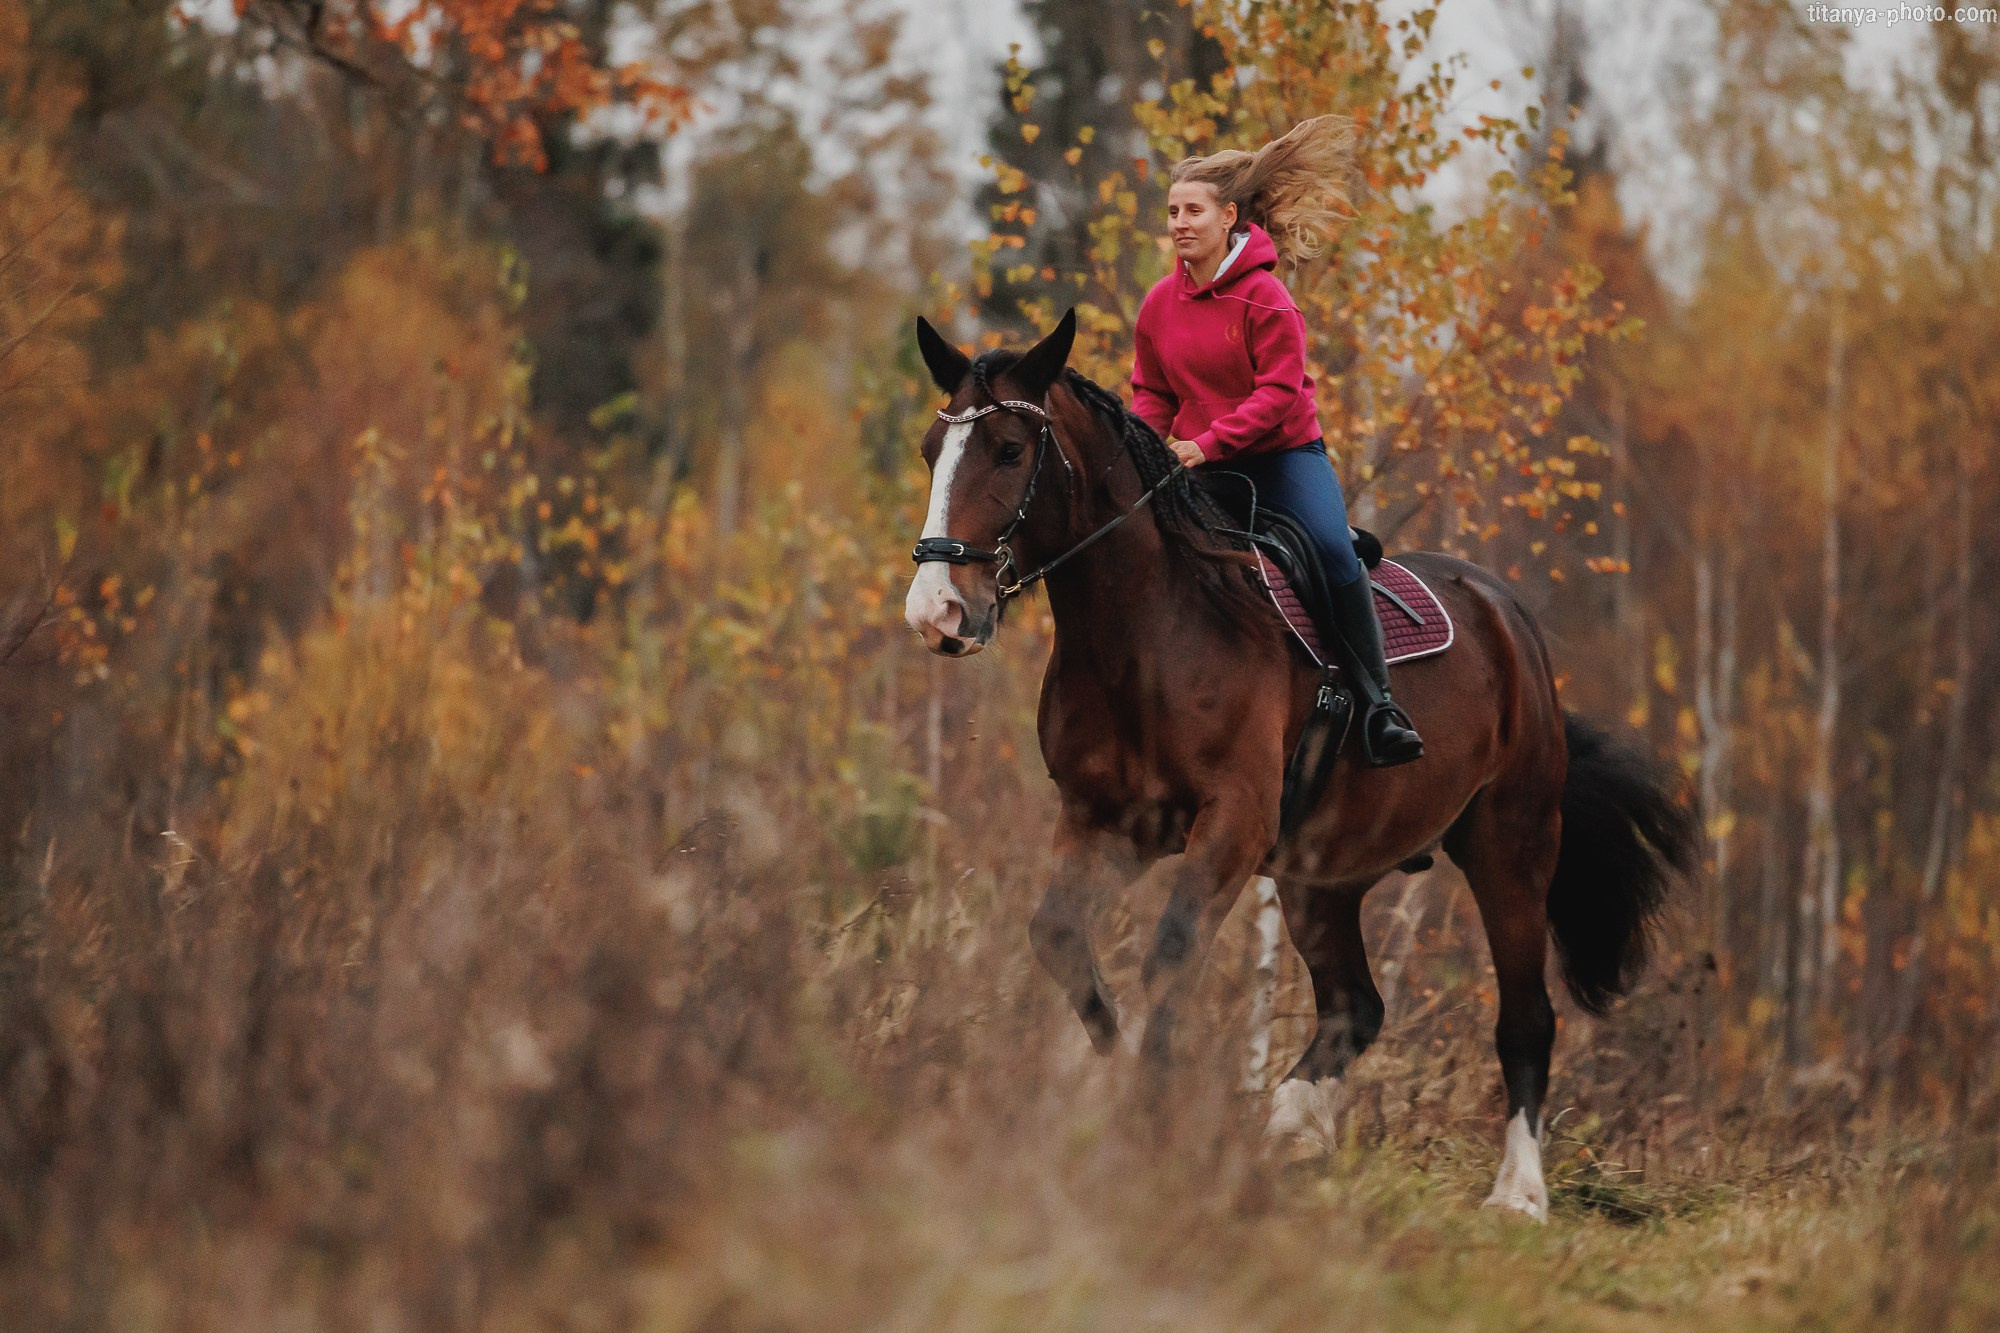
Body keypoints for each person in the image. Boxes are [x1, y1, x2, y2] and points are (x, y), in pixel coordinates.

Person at [1130, 115, 1423, 767]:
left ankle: (1380, 705)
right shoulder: (1157, 306)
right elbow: (1152, 393)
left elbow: (1279, 394)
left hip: (1284, 460)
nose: (1179, 222)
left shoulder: (1268, 299)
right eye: (1173, 210)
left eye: (1193, 210)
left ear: (1228, 215)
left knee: (1331, 551)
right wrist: (1143, 451)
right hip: (1200, 465)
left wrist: (1204, 444)